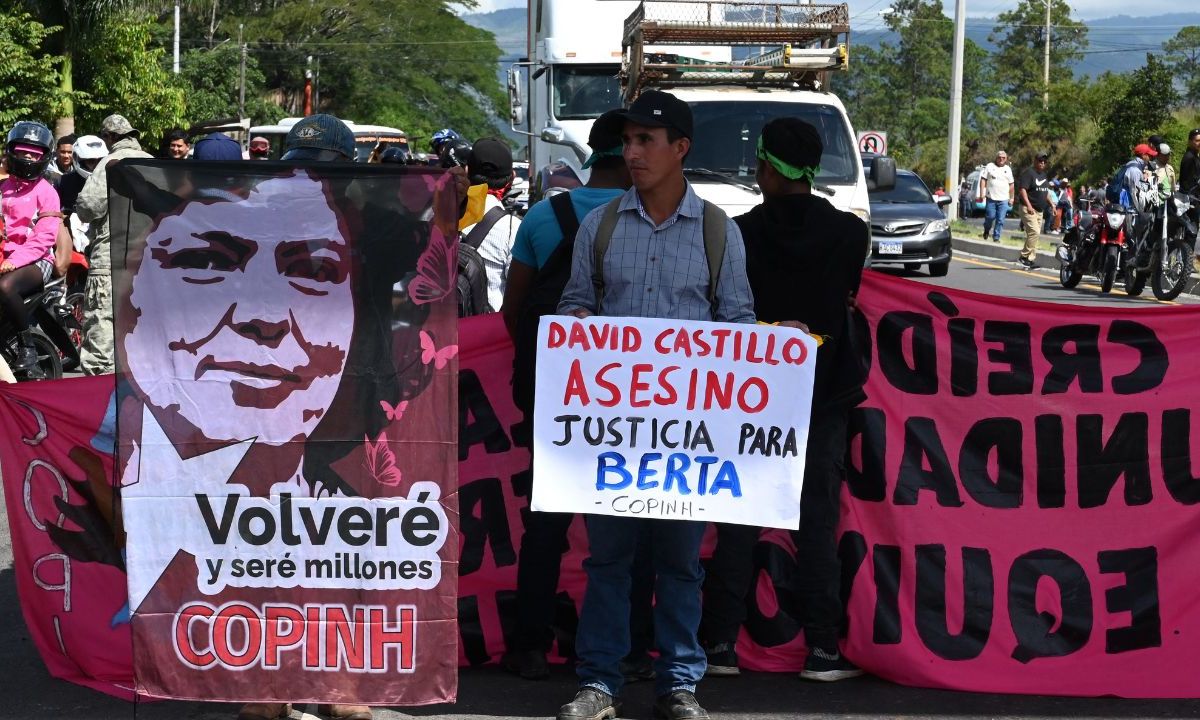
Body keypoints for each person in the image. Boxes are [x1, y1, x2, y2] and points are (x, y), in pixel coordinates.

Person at [555, 89, 755, 720]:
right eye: (628, 141)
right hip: (614, 434)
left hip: (687, 437)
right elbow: (573, 306)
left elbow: (739, 325)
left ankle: (680, 683)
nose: (631, 152)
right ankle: (600, 684)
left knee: (679, 565)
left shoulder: (720, 231)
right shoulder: (601, 224)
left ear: (681, 150)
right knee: (608, 559)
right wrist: (581, 328)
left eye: (645, 141)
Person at [699, 117, 869, 683]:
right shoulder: (850, 233)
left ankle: (720, 644)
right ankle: (823, 651)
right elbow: (848, 294)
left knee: (739, 518)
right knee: (815, 524)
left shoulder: (739, 233)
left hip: (752, 399)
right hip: (823, 398)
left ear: (766, 168)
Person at [501, 109, 636, 681]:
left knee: (546, 519)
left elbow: (513, 309)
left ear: (590, 157)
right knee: (627, 518)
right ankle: (622, 650)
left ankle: (528, 645)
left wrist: (542, 364)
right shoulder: (641, 223)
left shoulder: (541, 216)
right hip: (629, 394)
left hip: (552, 388)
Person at [75, 113, 153, 375]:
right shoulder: (155, 164)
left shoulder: (110, 163)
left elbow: (88, 207)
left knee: (102, 324)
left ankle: (101, 394)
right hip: (150, 260)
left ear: (110, 137)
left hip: (110, 257)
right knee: (144, 325)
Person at [0, 121, 63, 373]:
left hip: (37, 261)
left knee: (5, 287)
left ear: (43, 157)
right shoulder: (2, 189)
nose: (27, 157)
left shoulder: (47, 192)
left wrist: (16, 259)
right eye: (22, 151)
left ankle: (27, 347)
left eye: (33, 154)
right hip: (5, 258)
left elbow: (44, 238)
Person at [461, 137, 520, 311]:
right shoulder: (512, 227)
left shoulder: (439, 214)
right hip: (486, 332)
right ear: (511, 178)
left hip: (440, 328)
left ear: (466, 171)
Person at [1016, 152, 1050, 269]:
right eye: (1040, 161)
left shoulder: (1044, 175)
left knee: (1035, 234)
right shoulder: (1029, 173)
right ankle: (1023, 257)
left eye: (1044, 161)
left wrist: (1052, 205)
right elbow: (1022, 190)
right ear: (1035, 161)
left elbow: (1046, 192)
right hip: (1028, 208)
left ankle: (1030, 260)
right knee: (1034, 231)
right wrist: (1029, 205)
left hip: (1040, 210)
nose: (1042, 163)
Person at [979, 150, 1014, 242]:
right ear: (996, 158)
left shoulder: (1008, 169)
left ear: (1006, 159)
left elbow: (1011, 185)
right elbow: (983, 180)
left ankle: (996, 237)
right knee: (990, 217)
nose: (1001, 159)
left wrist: (1012, 198)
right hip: (991, 198)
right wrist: (982, 193)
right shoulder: (990, 166)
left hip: (1004, 199)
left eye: (1003, 158)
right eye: (999, 157)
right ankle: (986, 230)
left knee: (1000, 220)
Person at [1180, 128, 1200, 193]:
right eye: (1197, 140)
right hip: (1191, 198)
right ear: (1190, 142)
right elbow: (1186, 182)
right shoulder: (1189, 157)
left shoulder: (1195, 155)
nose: (1199, 143)